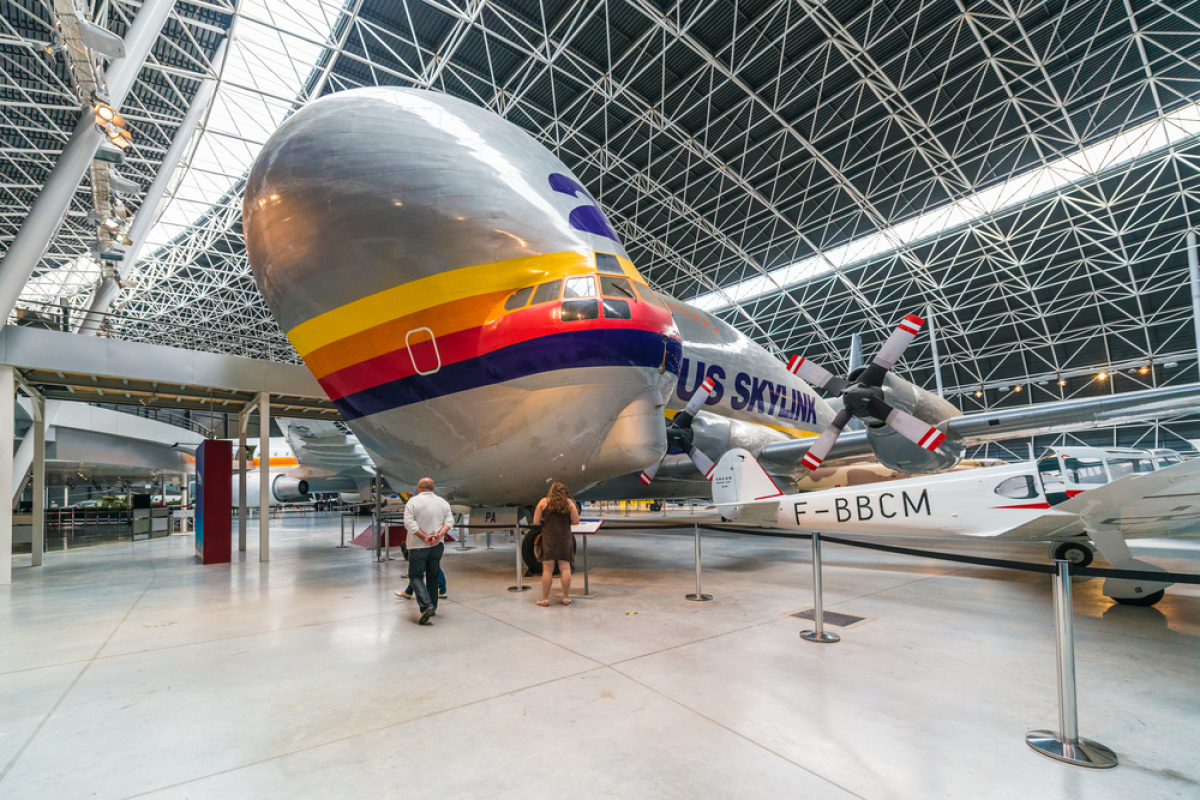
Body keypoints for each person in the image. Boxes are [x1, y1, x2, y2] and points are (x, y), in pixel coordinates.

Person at [399, 477, 453, 625]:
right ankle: (433, 607)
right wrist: (438, 535)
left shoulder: (413, 502)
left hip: (417, 546)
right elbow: (450, 522)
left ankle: (426, 606)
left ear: (418, 488)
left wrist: (424, 537)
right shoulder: (443, 502)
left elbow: (409, 523)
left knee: (415, 576)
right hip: (437, 546)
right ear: (433, 488)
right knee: (433, 576)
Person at [533, 481, 580, 606]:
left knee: (547, 569)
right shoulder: (569, 503)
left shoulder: (543, 502)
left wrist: (545, 520)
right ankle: (566, 598)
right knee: (565, 568)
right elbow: (576, 521)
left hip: (548, 538)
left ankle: (545, 599)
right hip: (564, 538)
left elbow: (536, 521)